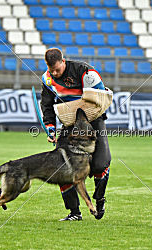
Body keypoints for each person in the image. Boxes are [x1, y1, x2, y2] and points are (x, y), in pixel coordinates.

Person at [40, 48, 111, 221]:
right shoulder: (47, 79)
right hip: (69, 123)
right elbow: (47, 105)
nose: (55, 73)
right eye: (52, 70)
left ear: (63, 61)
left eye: (57, 69)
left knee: (101, 165)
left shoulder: (85, 72)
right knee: (60, 167)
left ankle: (99, 198)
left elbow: (101, 99)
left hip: (93, 121)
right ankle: (74, 212)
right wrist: (50, 127)